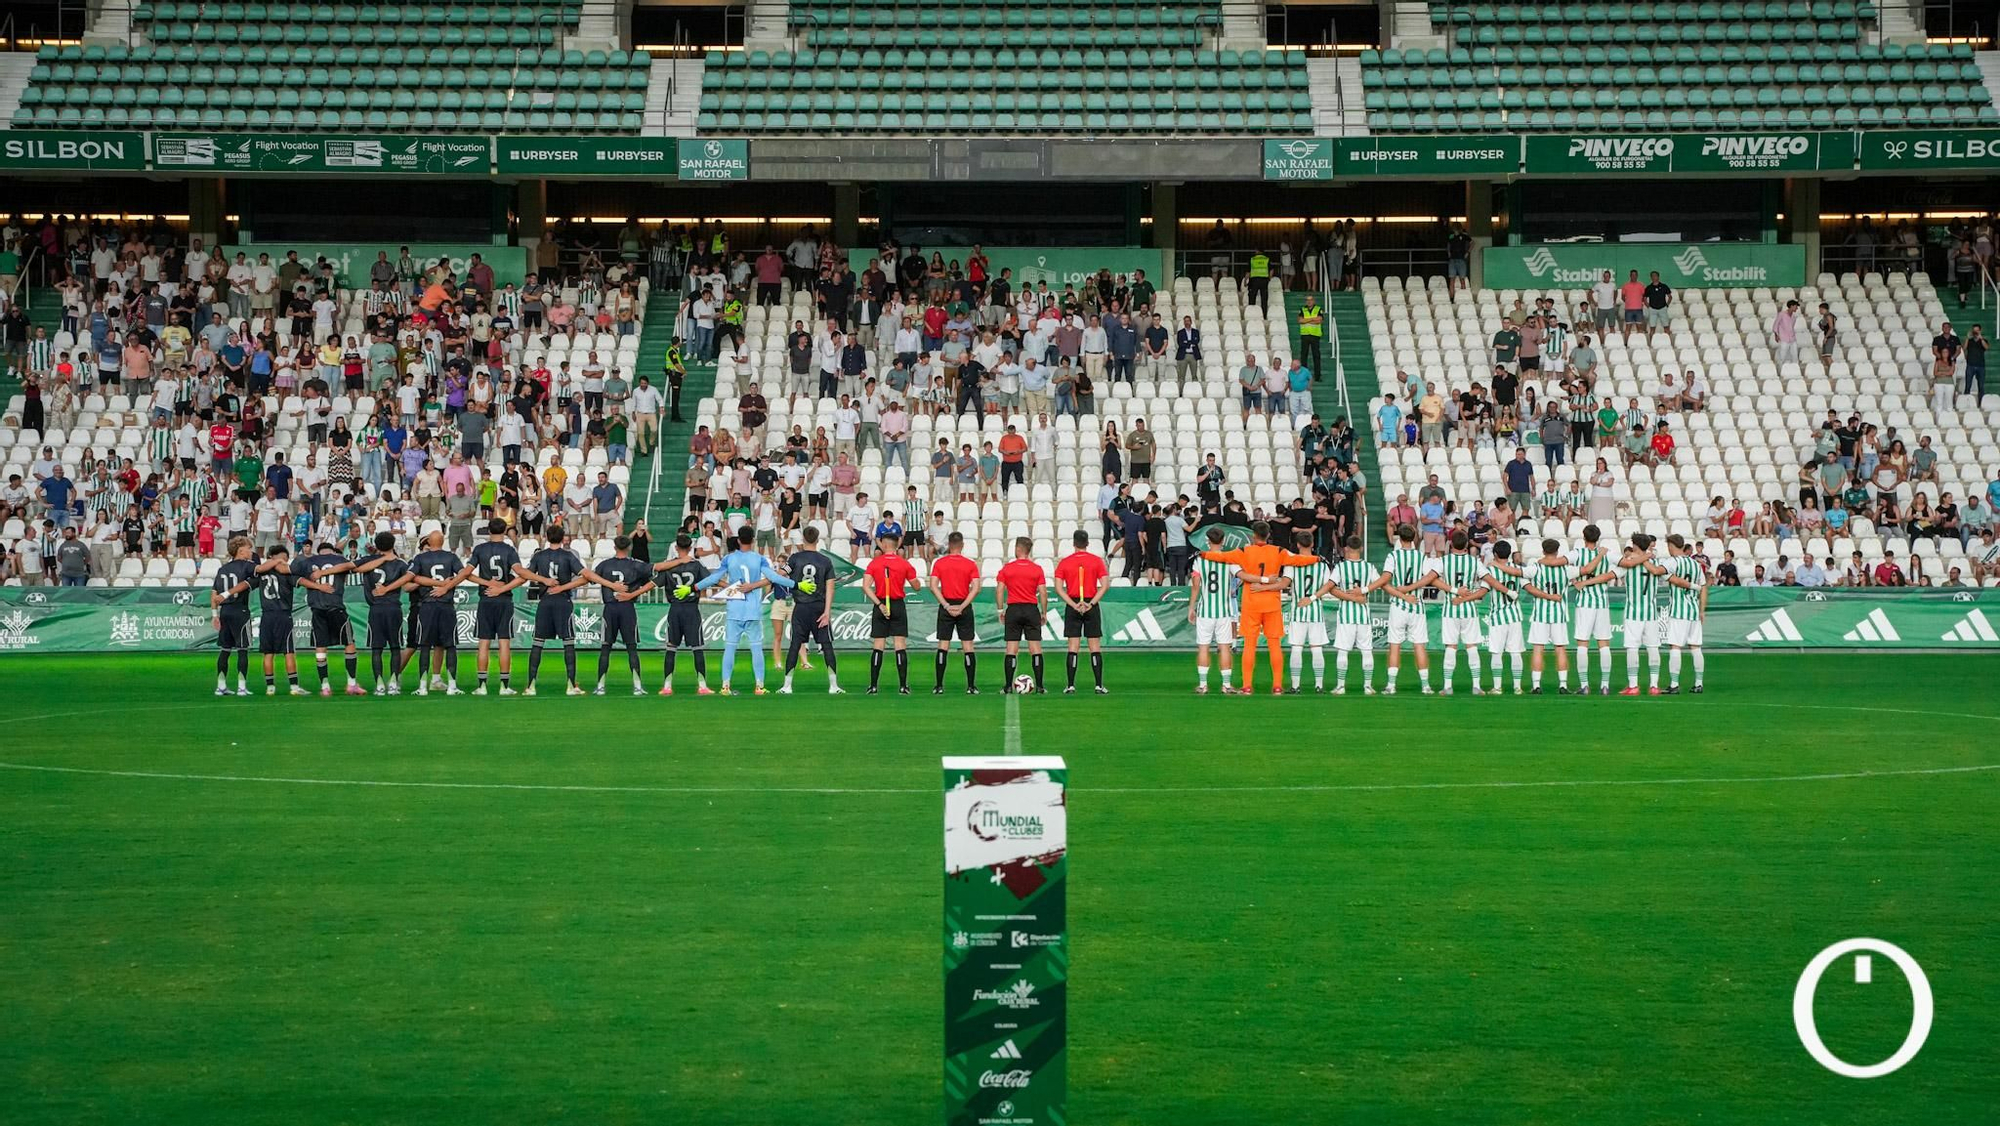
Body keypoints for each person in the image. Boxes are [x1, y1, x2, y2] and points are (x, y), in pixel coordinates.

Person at [1197, 521, 1317, 696]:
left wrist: (1204, 554)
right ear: (1268, 535)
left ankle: (1247, 686)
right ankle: (1277, 686)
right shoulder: (1278, 551)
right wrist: (1317, 558)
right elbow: (1298, 560)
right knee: (1274, 645)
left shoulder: (1245, 551)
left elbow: (1223, 557)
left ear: (1254, 535)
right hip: (1272, 603)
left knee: (1249, 646)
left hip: (1251, 602)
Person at [693, 527, 795, 695]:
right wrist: (796, 585)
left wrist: (694, 587)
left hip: (734, 609)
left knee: (730, 648)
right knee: (756, 649)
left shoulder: (729, 558)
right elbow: (776, 578)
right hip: (753, 610)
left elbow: (714, 578)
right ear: (753, 540)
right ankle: (759, 686)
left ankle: (725, 686)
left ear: (739, 540)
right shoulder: (760, 559)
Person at [518, 525, 595, 696]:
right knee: (568, 644)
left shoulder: (539, 556)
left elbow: (525, 574)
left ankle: (531, 686)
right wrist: (563, 587)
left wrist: (543, 579)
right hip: (563, 602)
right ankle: (570, 685)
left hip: (545, 602)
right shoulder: (568, 556)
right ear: (563, 538)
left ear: (546, 537)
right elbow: (586, 576)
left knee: (537, 644)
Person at [297, 539, 366, 696]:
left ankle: (325, 686)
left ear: (319, 551)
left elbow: (297, 579)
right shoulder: (340, 559)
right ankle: (351, 684)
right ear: (331, 551)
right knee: (349, 643)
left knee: (321, 647)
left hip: (317, 609)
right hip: (336, 607)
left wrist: (316, 585)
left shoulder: (309, 562)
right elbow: (352, 569)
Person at [406, 526, 469, 696]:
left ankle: (422, 686)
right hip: (446, 605)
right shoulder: (451, 557)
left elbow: (410, 579)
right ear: (443, 542)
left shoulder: (420, 558)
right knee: (450, 645)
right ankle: (451, 686)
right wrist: (446, 586)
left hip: (426, 605)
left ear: (429, 542)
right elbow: (463, 574)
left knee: (425, 645)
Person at [779, 527, 841, 695]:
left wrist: (793, 585)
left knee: (795, 645)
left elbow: (780, 573)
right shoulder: (825, 561)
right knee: (826, 645)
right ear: (817, 539)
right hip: (819, 607)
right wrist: (827, 611)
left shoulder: (795, 558)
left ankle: (787, 686)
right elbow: (830, 588)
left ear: (803, 539)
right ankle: (833, 686)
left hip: (801, 607)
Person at [589, 537, 652, 696]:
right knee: (631, 648)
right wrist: (634, 591)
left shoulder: (604, 564)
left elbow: (591, 579)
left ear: (614, 546)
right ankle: (637, 686)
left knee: (605, 648)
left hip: (610, 608)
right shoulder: (636, 565)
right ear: (629, 547)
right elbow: (649, 581)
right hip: (627, 608)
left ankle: (601, 686)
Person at [1054, 528, 1114, 694]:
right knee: (1094, 646)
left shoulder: (1065, 562)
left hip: (1073, 603)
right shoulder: (1096, 561)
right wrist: (1092, 603)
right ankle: (1098, 685)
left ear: (1074, 543)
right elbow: (1105, 585)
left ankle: (1071, 685)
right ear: (1087, 543)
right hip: (1090, 604)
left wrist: (1073, 605)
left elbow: (1059, 588)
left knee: (1073, 646)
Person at [652, 535, 713, 695]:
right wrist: (729, 585)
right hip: (692, 609)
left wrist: (633, 594)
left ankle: (667, 686)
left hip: (675, 609)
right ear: (691, 547)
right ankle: (702, 685)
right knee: (697, 648)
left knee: (671, 648)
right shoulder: (696, 565)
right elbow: (711, 580)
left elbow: (653, 583)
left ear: (676, 548)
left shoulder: (669, 566)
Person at [352, 532, 412, 695]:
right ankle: (393, 682)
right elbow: (408, 584)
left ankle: (379, 684)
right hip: (393, 608)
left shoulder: (370, 561)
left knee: (376, 649)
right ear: (393, 545)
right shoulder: (400, 563)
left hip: (376, 609)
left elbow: (355, 568)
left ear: (376, 545)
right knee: (395, 647)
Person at [468, 519, 524, 695]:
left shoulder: (480, 549)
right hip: (504, 600)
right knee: (504, 643)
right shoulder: (509, 550)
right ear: (506, 530)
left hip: (486, 599)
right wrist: (502, 588)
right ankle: (504, 686)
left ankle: (482, 686)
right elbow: (520, 575)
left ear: (488, 530)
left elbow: (467, 574)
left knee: (483, 643)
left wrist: (487, 583)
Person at [252, 544, 313, 696]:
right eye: (284, 559)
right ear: (276, 558)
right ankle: (294, 687)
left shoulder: (261, 572)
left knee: (268, 653)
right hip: (283, 614)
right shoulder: (285, 573)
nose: (286, 562)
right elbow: (302, 581)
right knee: (288, 651)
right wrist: (318, 586)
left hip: (267, 615)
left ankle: (270, 688)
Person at [1380, 524, 1434, 695]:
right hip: (1416, 606)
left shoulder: (1393, 556)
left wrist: (1402, 592)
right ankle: (1425, 685)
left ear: (1399, 537)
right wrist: (1411, 589)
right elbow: (1429, 579)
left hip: (1398, 605)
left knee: (1394, 645)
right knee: (1419, 645)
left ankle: (1391, 685)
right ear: (1414, 538)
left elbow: (1385, 581)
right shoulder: (1421, 557)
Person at [861, 532, 918, 694]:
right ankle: (903, 686)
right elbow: (917, 586)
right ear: (896, 545)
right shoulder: (904, 564)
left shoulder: (875, 563)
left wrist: (879, 604)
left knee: (878, 645)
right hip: (897, 605)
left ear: (884, 545)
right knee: (899, 645)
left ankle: (873, 685)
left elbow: (865, 586)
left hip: (880, 605)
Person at [1323, 536, 1379, 695]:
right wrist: (1363, 593)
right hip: (1363, 615)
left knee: (1343, 650)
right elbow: (1380, 582)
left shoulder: (1341, 567)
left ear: (1346, 548)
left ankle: (1341, 686)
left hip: (1347, 615)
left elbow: (1331, 588)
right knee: (1366, 650)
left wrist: (1350, 597)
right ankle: (1368, 686)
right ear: (1361, 548)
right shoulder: (1369, 567)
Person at [1433, 530, 1487, 695]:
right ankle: (1476, 686)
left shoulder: (1444, 561)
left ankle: (1448, 686)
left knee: (1451, 646)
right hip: (1469, 609)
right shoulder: (1475, 562)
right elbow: (1486, 584)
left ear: (1451, 544)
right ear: (1466, 545)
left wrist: (1453, 589)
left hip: (1450, 609)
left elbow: (1432, 579)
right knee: (1471, 646)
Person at [929, 530, 982, 694]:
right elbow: (976, 588)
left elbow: (933, 586)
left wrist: (945, 605)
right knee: (968, 646)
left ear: (949, 545)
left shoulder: (939, 563)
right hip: (963, 606)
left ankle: (939, 686)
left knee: (943, 645)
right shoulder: (970, 564)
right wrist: (963, 606)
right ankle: (971, 686)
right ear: (962, 545)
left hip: (946, 606)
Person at [995, 537, 1049, 694]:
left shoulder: (1007, 568)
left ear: (1018, 549)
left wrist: (1000, 610)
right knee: (1036, 649)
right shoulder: (1037, 569)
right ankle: (1039, 686)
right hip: (1031, 608)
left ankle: (1007, 686)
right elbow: (1043, 593)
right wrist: (1043, 612)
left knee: (1011, 649)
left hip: (1014, 608)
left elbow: (999, 590)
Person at [1188, 527, 1239, 695]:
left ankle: (1203, 685)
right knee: (1225, 647)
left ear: (1207, 541)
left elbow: (1196, 586)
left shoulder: (1200, 560)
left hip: (1205, 611)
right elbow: (1240, 576)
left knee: (1203, 647)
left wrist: (1191, 607)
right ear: (1223, 541)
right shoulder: (1229, 559)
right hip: (1223, 611)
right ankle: (1226, 684)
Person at [1520, 538, 1574, 694]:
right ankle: (1563, 685)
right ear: (1557, 551)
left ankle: (1536, 685)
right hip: (1559, 614)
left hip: (1540, 614)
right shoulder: (1566, 569)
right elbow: (1587, 570)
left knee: (1538, 649)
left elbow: (1523, 581)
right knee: (1560, 649)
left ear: (1543, 551)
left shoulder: (1535, 568)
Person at [1617, 532, 1667, 695]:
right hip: (1651, 612)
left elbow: (1612, 574)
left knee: (1632, 648)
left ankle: (1633, 685)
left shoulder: (1628, 562)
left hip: (1633, 613)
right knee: (1653, 647)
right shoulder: (1655, 561)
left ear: (1636, 545)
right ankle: (1654, 685)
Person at [1568, 524, 1615, 695]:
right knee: (1604, 644)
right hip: (1602, 602)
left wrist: (1574, 580)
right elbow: (1622, 563)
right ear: (1598, 537)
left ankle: (1585, 685)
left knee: (1582, 644)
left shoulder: (1577, 553)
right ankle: (1605, 685)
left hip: (1585, 602)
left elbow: (1562, 565)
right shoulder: (1607, 554)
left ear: (1583, 537)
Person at [209, 535, 258, 696]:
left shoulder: (222, 569)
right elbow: (260, 572)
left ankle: (221, 686)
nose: (251, 552)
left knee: (225, 649)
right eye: (249, 549)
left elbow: (214, 592)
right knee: (242, 649)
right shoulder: (247, 566)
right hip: (240, 611)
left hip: (225, 612)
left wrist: (214, 614)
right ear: (241, 550)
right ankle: (242, 687)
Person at [1283, 536, 1332, 693]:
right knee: (1316, 649)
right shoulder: (1322, 565)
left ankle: (1295, 686)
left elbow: (1285, 583)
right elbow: (1327, 587)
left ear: (1297, 544)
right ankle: (1319, 685)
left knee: (1296, 649)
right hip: (1315, 611)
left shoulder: (1292, 564)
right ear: (1312, 544)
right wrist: (1312, 598)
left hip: (1298, 612)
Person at [1478, 540, 1527, 695]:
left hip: (1498, 616)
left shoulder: (1491, 571)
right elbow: (1527, 586)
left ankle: (1497, 687)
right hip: (1514, 615)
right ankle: (1517, 687)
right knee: (1515, 652)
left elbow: (1482, 592)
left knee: (1497, 652)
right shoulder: (1518, 569)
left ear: (1495, 554)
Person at [1661, 533, 1707, 694]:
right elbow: (1704, 587)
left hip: (1679, 611)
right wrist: (1702, 610)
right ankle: (1699, 683)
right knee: (1696, 647)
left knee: (1675, 647)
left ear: (1671, 546)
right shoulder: (1695, 564)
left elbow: (1667, 576)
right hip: (1693, 611)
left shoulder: (1672, 562)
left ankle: (1674, 684)